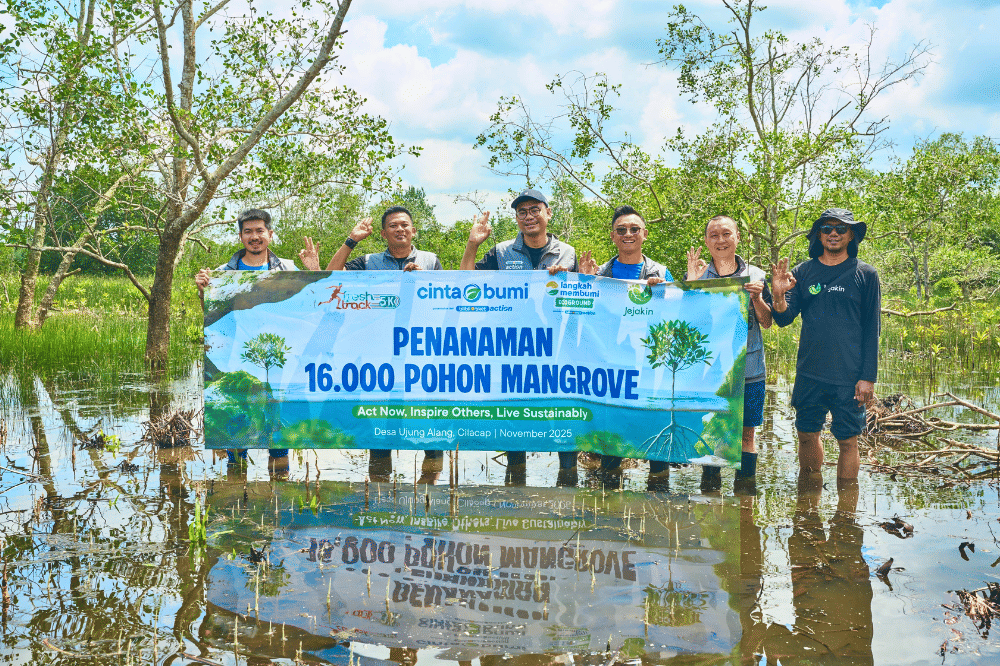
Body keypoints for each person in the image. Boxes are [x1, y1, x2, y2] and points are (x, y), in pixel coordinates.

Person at [299, 206, 443, 482]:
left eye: (404, 225)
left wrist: (422, 280)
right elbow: (331, 279)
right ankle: (379, 502)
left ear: (413, 230)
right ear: (383, 233)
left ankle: (428, 497)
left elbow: (443, 302)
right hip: (379, 357)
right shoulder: (368, 262)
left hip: (418, 355)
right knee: (381, 435)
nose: (399, 229)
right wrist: (351, 241)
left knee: (429, 433)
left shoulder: (430, 260)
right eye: (393, 226)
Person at [461, 189, 580, 484]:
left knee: (562, 412)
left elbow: (580, 300)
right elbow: (464, 283)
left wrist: (569, 281)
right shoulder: (501, 252)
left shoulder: (568, 252)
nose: (529, 216)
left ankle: (568, 482)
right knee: (515, 416)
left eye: (534, 210)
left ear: (548, 213)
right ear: (516, 219)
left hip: (554, 347)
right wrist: (472, 245)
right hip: (511, 348)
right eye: (522, 212)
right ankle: (515, 488)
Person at [770, 208, 881, 480]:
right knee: (807, 435)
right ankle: (808, 500)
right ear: (818, 235)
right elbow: (784, 318)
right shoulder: (803, 272)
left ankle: (846, 515)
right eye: (827, 228)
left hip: (850, 375)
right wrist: (777, 295)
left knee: (848, 441)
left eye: (841, 229)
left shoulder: (866, 274)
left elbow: (872, 329)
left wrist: (867, 377)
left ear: (851, 234)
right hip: (810, 371)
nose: (834, 233)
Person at [195, 208, 297, 471]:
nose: (255, 237)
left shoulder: (287, 268)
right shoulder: (222, 273)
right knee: (236, 430)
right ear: (240, 237)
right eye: (248, 231)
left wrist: (313, 271)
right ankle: (236, 499)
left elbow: (305, 307)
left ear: (270, 235)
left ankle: (278, 495)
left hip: (276, 362)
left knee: (277, 435)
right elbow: (212, 315)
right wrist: (203, 291)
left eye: (259, 231)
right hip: (234, 360)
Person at [579, 205, 673, 484]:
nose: (628, 234)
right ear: (613, 236)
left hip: (650, 366)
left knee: (655, 433)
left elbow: (676, 317)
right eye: (621, 230)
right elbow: (585, 318)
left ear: (645, 234)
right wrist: (585, 283)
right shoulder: (601, 273)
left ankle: (658, 499)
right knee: (612, 441)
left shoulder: (661, 272)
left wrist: (662, 294)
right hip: (612, 367)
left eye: (634, 229)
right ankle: (609, 506)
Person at [686, 215, 772, 491]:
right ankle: (710, 491)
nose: (720, 240)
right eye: (714, 235)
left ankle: (745, 494)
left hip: (749, 370)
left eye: (726, 234)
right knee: (711, 433)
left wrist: (757, 297)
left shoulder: (757, 275)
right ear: (706, 241)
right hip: (710, 373)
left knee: (747, 435)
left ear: (738, 238)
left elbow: (767, 321)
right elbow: (688, 322)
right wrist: (691, 286)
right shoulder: (699, 274)